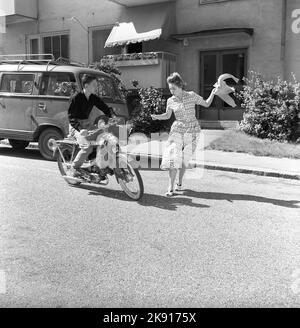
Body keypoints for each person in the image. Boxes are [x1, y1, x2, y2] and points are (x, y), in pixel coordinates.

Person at [151, 72, 218, 197]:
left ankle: (179, 183)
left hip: (193, 130)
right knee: (172, 158)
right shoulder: (170, 100)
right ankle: (170, 186)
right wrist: (157, 117)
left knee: (184, 160)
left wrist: (213, 93)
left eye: (173, 88)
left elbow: (207, 103)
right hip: (177, 130)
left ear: (180, 85)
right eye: (170, 88)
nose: (171, 91)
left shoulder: (191, 95)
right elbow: (167, 115)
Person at [68, 74, 113, 176]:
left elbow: (105, 108)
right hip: (75, 126)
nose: (96, 87)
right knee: (87, 147)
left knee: (106, 138)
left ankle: (99, 164)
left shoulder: (93, 98)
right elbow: (71, 117)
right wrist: (80, 129)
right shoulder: (76, 98)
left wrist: (112, 117)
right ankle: (74, 169)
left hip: (87, 124)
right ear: (86, 85)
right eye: (94, 85)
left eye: (96, 85)